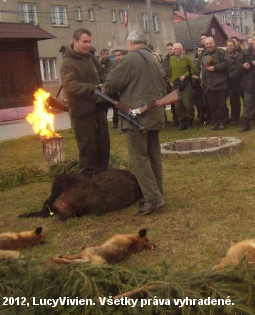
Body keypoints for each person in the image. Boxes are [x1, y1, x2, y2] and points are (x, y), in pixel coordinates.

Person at [104, 31, 166, 215]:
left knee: (139, 158)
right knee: (153, 156)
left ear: (130, 42)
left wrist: (104, 88)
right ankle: (157, 193)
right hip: (154, 115)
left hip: (137, 117)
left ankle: (153, 198)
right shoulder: (155, 60)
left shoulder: (130, 59)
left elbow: (112, 84)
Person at [60, 29, 109, 176]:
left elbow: (102, 72)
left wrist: (106, 84)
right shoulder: (67, 63)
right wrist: (93, 88)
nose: (88, 45)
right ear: (75, 41)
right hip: (81, 114)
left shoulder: (91, 58)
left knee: (103, 148)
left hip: (98, 110)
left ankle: (102, 180)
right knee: (88, 150)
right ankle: (88, 184)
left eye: (89, 42)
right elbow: (70, 85)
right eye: (84, 42)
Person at [199, 37, 230, 130]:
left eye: (210, 43)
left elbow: (226, 63)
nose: (208, 45)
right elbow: (201, 70)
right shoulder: (202, 55)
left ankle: (222, 122)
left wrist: (215, 68)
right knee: (212, 105)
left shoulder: (221, 52)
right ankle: (215, 121)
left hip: (220, 83)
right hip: (208, 84)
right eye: (206, 44)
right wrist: (202, 83)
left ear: (214, 43)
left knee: (221, 104)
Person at [168, 43, 196, 130]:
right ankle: (182, 123)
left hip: (185, 85)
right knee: (178, 105)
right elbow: (170, 72)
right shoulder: (171, 59)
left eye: (178, 49)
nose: (177, 50)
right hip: (176, 86)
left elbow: (193, 69)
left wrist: (185, 75)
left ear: (181, 49)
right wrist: (171, 81)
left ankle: (190, 122)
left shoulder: (186, 58)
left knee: (187, 104)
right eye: (175, 49)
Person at [226, 38, 242, 124]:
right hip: (224, 81)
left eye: (231, 45)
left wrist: (230, 77)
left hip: (235, 81)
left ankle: (235, 117)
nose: (230, 47)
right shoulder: (223, 56)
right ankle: (226, 118)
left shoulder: (238, 56)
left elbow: (239, 69)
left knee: (235, 101)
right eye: (228, 45)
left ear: (234, 46)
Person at [163, 42, 178, 126]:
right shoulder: (165, 60)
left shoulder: (177, 57)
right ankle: (175, 119)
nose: (169, 50)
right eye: (168, 49)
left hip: (176, 81)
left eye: (170, 49)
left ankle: (181, 119)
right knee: (172, 102)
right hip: (168, 83)